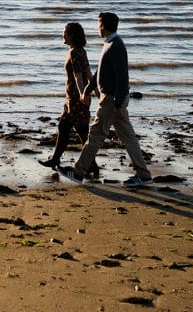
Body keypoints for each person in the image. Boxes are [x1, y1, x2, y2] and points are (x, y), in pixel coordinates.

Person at [58, 12, 154, 188]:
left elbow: (122, 77)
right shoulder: (110, 43)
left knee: (95, 134)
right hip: (112, 99)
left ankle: (79, 172)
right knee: (128, 136)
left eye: (98, 23)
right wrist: (87, 89)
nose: (97, 27)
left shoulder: (115, 45)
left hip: (111, 99)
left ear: (103, 25)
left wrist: (117, 104)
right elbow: (101, 71)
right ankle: (143, 174)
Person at [38, 22, 100, 178]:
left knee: (81, 132)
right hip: (72, 100)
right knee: (65, 128)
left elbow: (80, 75)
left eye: (64, 32)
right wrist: (96, 92)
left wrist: (82, 94)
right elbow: (89, 73)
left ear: (71, 35)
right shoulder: (80, 51)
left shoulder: (75, 53)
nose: (62, 34)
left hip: (75, 99)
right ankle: (58, 160)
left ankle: (91, 165)